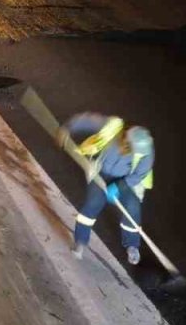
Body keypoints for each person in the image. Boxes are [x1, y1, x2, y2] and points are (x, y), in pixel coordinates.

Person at [59, 113, 154, 265]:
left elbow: (139, 174)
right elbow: (88, 120)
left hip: (126, 180)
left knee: (133, 207)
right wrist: (67, 127)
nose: (130, 151)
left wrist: (118, 186)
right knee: (92, 204)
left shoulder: (145, 149)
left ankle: (132, 245)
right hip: (101, 173)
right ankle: (80, 241)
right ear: (126, 138)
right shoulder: (113, 126)